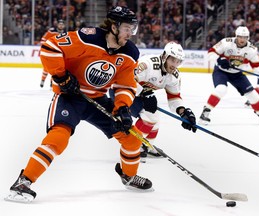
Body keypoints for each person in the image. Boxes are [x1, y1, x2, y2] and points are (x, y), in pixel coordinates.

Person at [6, 6, 153, 203]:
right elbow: (50, 47)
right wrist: (62, 76)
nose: (131, 33)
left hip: (97, 100)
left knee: (132, 138)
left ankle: (128, 176)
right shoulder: (88, 38)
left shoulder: (129, 53)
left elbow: (124, 85)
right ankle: (23, 182)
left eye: (132, 29)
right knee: (58, 138)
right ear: (114, 27)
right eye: (127, 28)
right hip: (70, 97)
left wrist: (123, 109)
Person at [111, 42, 197, 158]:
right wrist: (143, 93)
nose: (175, 65)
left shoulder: (174, 76)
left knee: (155, 120)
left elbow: (174, 96)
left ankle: (148, 144)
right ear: (165, 56)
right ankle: (135, 145)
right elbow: (127, 79)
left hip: (140, 94)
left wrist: (182, 111)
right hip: (122, 89)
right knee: (150, 117)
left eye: (178, 62)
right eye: (173, 60)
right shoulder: (148, 64)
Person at [199, 26, 259, 125]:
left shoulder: (252, 49)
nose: (242, 40)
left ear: (248, 38)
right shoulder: (226, 42)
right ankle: (206, 112)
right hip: (221, 72)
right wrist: (218, 60)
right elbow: (211, 52)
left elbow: (256, 66)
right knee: (221, 89)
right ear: (236, 36)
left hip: (237, 74)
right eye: (240, 37)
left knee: (253, 95)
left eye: (245, 37)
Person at [39, 19, 66, 88]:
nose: (61, 26)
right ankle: (43, 80)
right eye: (60, 24)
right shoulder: (51, 31)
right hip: (49, 52)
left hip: (57, 54)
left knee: (55, 69)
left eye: (62, 24)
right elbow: (43, 40)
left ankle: (52, 82)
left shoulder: (65, 33)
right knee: (46, 68)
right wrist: (45, 48)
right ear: (57, 25)